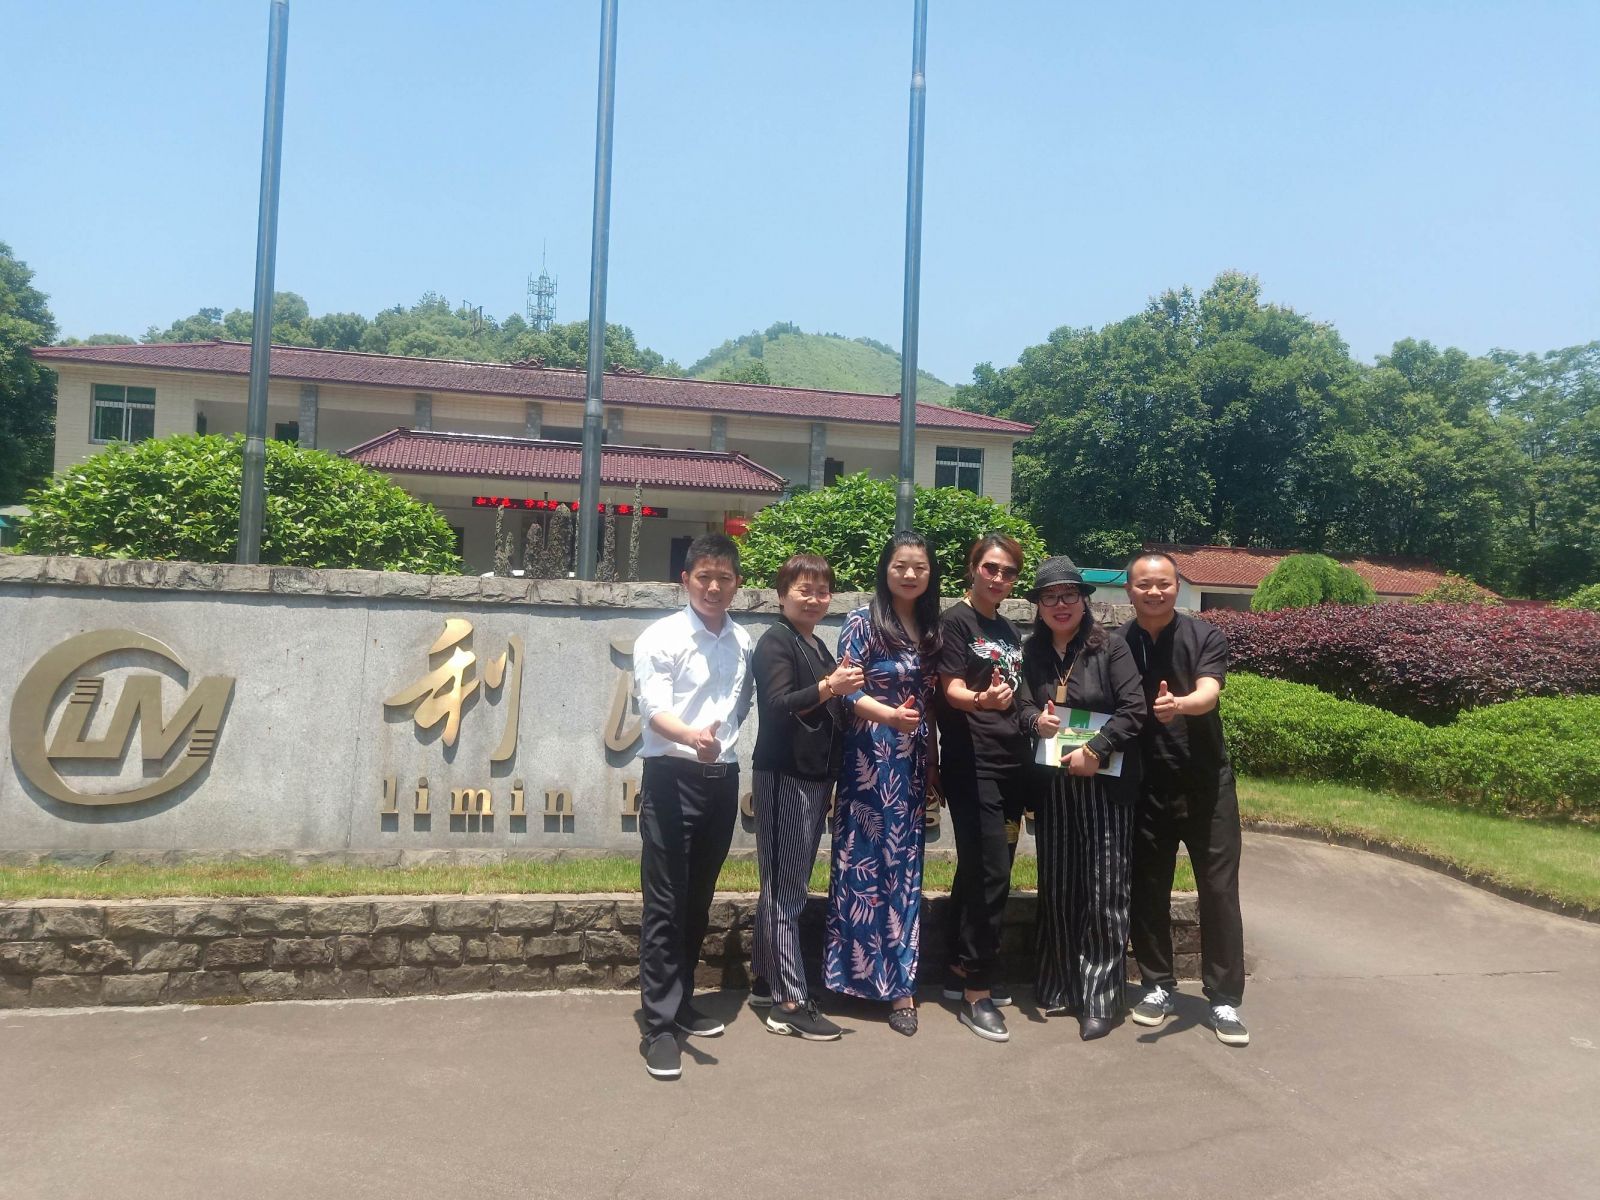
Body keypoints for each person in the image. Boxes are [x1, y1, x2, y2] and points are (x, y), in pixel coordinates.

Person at [631, 532, 755, 1079]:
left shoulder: (743, 641)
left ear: (737, 584)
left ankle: (680, 1002)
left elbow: (741, 703)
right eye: (704, 577)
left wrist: (717, 747)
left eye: (724, 578)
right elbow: (654, 710)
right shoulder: (660, 637)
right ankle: (658, 1027)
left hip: (721, 780)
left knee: (698, 899)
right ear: (685, 580)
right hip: (670, 779)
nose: (713, 587)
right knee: (665, 902)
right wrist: (692, 738)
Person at [1120, 550, 1250, 1047]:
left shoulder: (1204, 636)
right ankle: (1157, 985)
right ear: (1129, 590)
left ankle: (1224, 998)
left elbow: (1209, 692)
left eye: (1163, 584)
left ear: (1177, 587)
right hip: (1145, 785)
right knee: (1147, 887)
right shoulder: (1117, 643)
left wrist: (1180, 705)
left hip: (1205, 785)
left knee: (1218, 890)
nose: (1154, 592)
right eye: (1143, 584)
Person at [1014, 556, 1146, 1040]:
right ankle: (1060, 983)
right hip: (1054, 786)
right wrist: (1036, 721)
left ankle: (1100, 999)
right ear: (1039, 606)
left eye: (1069, 594)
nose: (1060, 604)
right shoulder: (1032, 652)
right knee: (1059, 887)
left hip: (1104, 785)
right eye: (1050, 597)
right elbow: (1021, 704)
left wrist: (1096, 749)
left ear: (1083, 600)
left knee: (1104, 889)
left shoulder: (1110, 647)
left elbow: (1134, 710)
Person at [824, 532, 941, 1036]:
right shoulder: (862, 622)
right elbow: (847, 690)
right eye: (900, 566)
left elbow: (930, 702)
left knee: (904, 870)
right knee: (862, 865)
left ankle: (900, 988)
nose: (910, 574)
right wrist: (889, 716)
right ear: (885, 569)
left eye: (919, 567)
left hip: (910, 764)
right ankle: (851, 979)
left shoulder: (932, 628)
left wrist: (931, 760)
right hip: (868, 761)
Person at [749, 553, 863, 1042]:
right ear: (781, 594)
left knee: (784, 883)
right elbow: (777, 706)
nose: (814, 599)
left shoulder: (816, 644)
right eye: (803, 589)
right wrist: (829, 687)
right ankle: (790, 1002)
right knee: (785, 890)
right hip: (785, 775)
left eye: (822, 591)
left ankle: (764, 980)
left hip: (814, 778)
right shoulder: (775, 641)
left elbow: (831, 706)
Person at [936, 532, 1029, 1043]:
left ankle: (957, 967)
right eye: (990, 568)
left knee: (980, 868)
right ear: (973, 568)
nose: (998, 578)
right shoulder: (955, 622)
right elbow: (949, 689)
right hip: (972, 762)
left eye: (1008, 572)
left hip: (1011, 762)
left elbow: (1019, 695)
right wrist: (981, 701)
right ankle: (978, 991)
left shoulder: (1008, 629)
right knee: (993, 872)